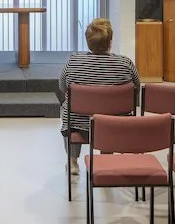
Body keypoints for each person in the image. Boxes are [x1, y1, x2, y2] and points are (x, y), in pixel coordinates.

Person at [57, 18, 140, 177]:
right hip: (115, 127)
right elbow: (136, 90)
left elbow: (62, 87)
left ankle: (73, 161)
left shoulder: (74, 61)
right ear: (110, 42)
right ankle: (105, 159)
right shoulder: (125, 63)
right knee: (108, 116)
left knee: (68, 110)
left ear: (88, 42)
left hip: (80, 125)